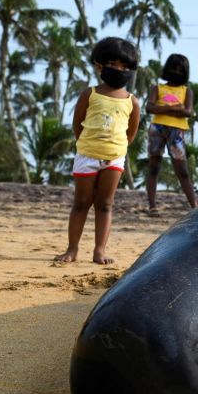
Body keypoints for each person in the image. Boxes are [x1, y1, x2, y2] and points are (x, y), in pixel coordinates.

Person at [55, 37, 141, 264]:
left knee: (105, 204)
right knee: (81, 202)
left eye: (125, 66)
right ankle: (72, 249)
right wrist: (88, 145)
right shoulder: (89, 94)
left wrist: (117, 150)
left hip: (114, 158)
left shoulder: (133, 101)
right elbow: (78, 124)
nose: (119, 70)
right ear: (99, 65)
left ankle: (99, 250)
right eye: (113, 64)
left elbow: (131, 133)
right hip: (87, 155)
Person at [145, 54, 197, 216]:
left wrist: (163, 108)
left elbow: (187, 112)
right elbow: (149, 108)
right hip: (157, 129)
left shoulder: (187, 91)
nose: (176, 71)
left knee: (182, 170)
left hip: (177, 131)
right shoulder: (158, 88)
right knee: (154, 166)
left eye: (180, 69)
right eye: (174, 68)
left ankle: (194, 206)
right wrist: (174, 109)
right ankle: (152, 206)